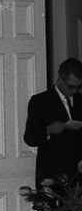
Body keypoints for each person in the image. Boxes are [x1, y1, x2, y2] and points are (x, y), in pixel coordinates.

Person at [24, 58, 82, 187]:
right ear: (60, 79)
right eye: (71, 87)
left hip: (78, 176)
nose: (74, 91)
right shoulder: (40, 101)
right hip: (52, 175)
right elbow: (30, 138)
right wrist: (49, 130)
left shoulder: (80, 101)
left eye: (78, 87)